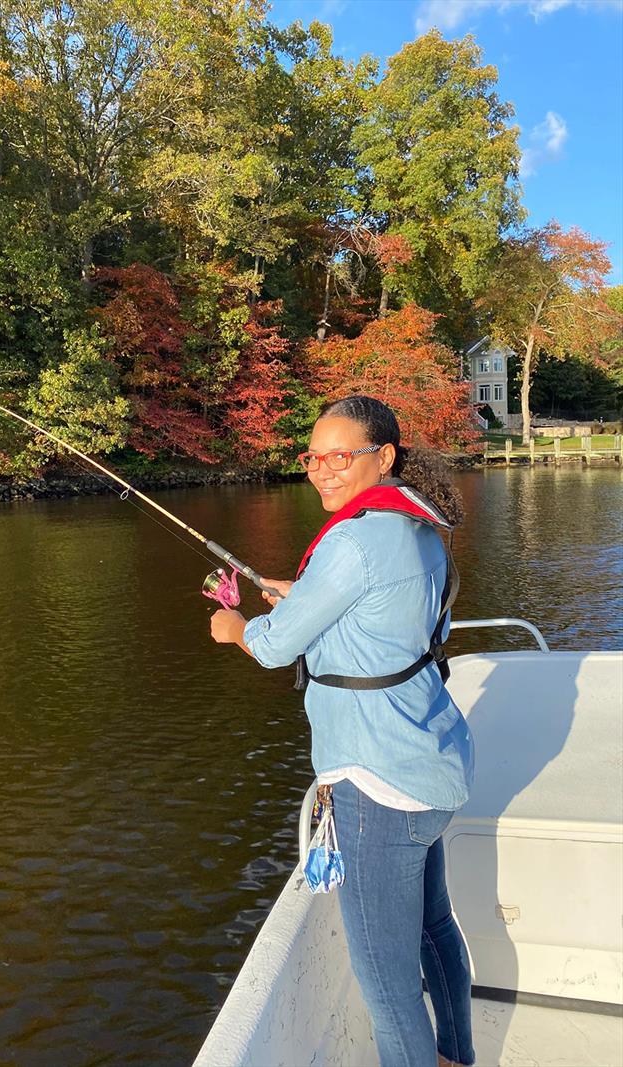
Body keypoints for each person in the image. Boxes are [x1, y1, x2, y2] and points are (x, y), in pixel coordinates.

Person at [210, 395, 475, 1067]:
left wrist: (235, 627)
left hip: (376, 787)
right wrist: (303, 592)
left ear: (383, 456)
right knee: (433, 928)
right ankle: (458, 1056)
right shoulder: (421, 525)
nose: (322, 469)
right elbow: (407, 625)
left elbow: (271, 648)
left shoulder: (354, 539)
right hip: (433, 768)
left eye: (339, 456)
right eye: (312, 456)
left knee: (387, 988)